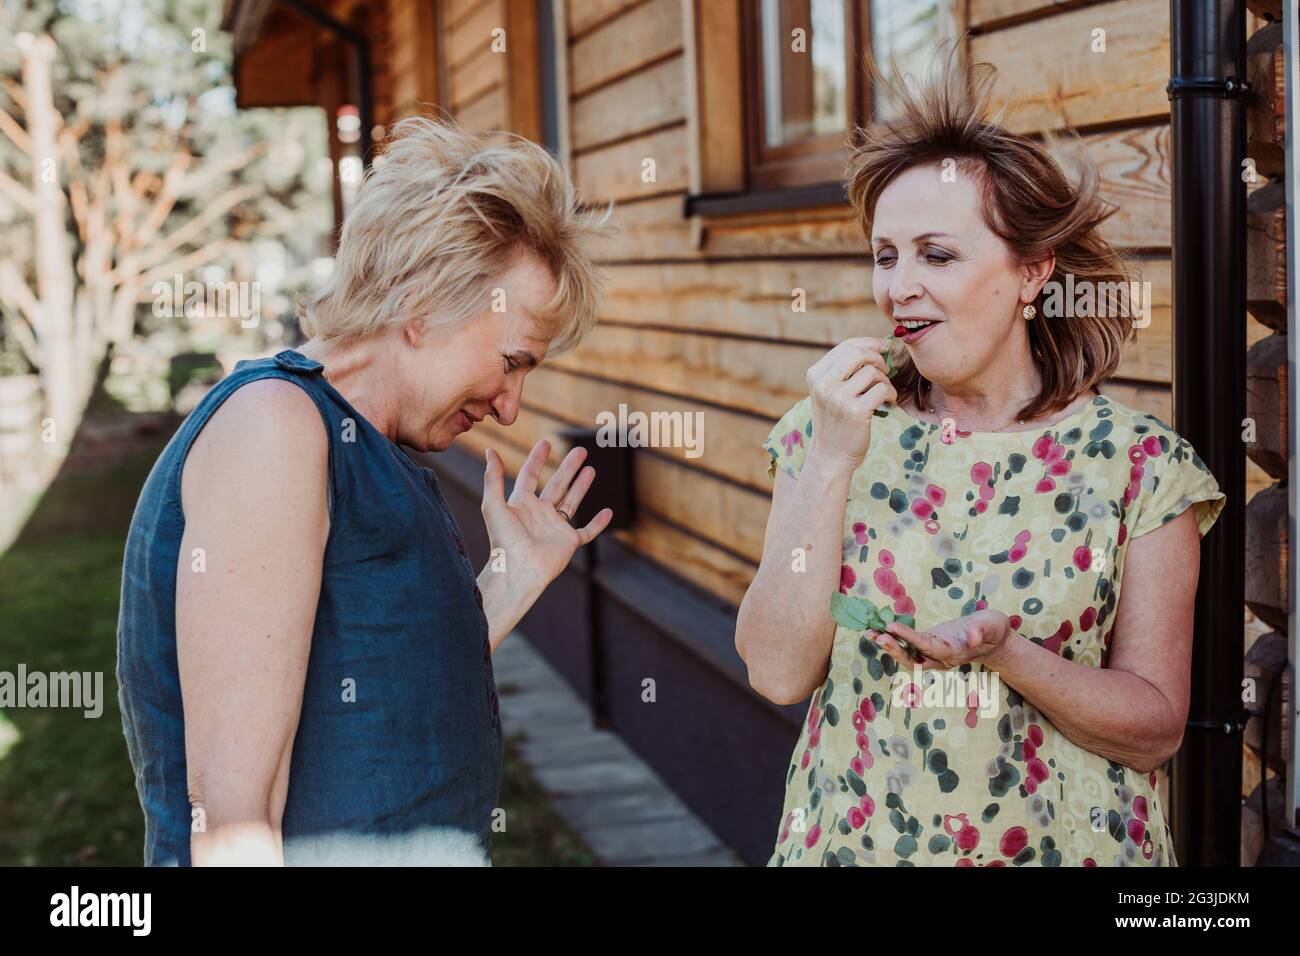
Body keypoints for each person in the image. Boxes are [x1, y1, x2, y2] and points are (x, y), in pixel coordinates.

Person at [736, 49, 1225, 867]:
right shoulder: (830, 428)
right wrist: (828, 463)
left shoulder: (1141, 467)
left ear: (1033, 272)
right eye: (885, 256)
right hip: (860, 845)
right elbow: (779, 673)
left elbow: (1154, 730)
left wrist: (1007, 654)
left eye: (937, 254)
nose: (898, 287)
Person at [117, 117, 612, 865]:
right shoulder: (275, 428)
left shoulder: (355, 440)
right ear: (422, 302)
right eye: (512, 361)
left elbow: (367, 695)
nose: (511, 404)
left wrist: (507, 586)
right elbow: (233, 814)